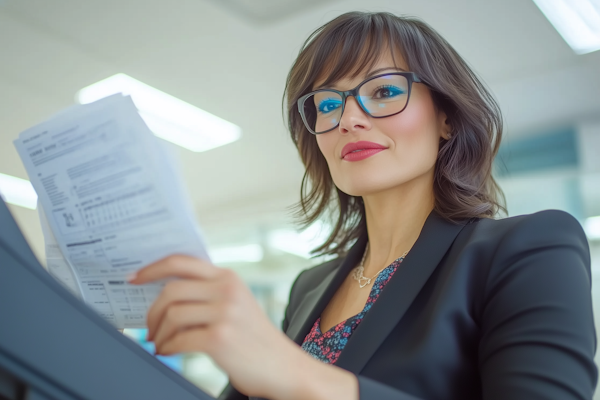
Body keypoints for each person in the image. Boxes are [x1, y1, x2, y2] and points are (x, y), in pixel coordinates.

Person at [129, 11, 597, 400]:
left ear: (447, 120)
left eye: (385, 92)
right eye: (327, 103)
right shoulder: (309, 287)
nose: (349, 118)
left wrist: (301, 376)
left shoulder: (527, 248)